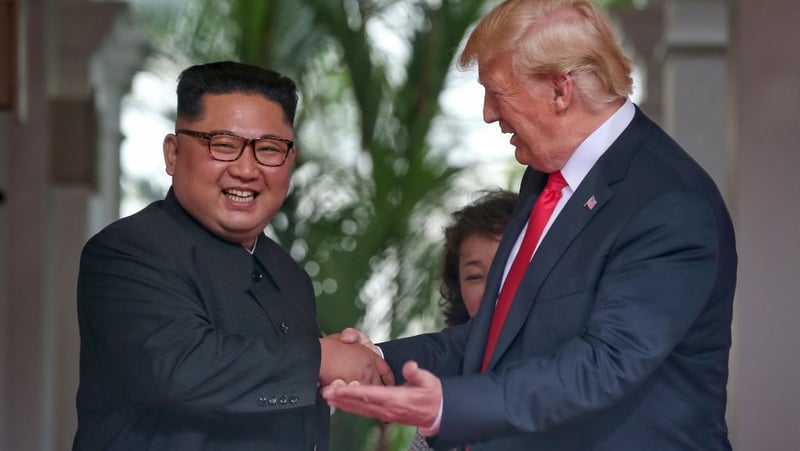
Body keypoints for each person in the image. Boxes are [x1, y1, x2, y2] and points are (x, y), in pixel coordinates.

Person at [323, 1, 738, 450]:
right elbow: (503, 338)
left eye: (497, 91)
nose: (488, 113)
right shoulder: (546, 174)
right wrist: (377, 359)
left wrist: (449, 405)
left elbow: (605, 365)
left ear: (561, 89)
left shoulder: (667, 200)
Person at [73, 61, 392, 451]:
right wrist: (320, 360)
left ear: (290, 162)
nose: (246, 169)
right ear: (172, 154)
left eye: (269, 150)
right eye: (223, 144)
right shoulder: (127, 252)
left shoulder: (288, 274)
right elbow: (182, 368)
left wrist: (351, 364)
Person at [408, 189, 517, 451]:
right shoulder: (446, 382)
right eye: (475, 277)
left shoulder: (581, 369)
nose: (494, 290)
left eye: (510, 270)